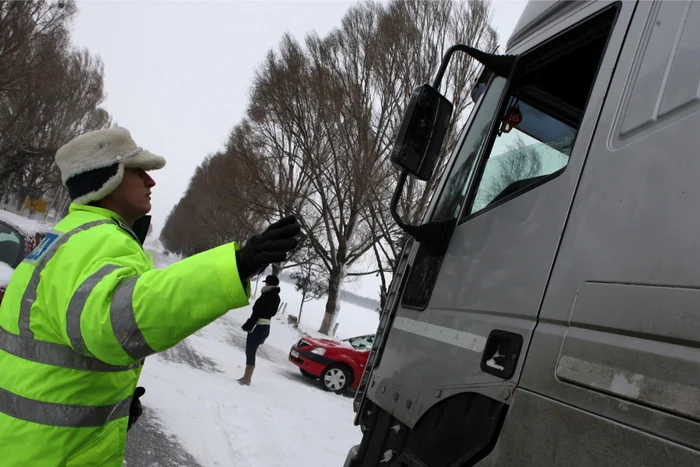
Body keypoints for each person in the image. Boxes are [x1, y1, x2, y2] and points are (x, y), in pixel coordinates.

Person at [0, 127, 301, 466]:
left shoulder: (65, 238)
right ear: (107, 179)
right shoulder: (100, 241)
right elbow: (119, 323)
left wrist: (110, 406)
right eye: (138, 172)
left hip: (29, 445)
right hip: (54, 455)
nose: (150, 182)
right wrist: (236, 265)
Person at [238, 274, 281, 385]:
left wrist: (249, 324)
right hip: (265, 327)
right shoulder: (276, 297)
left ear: (268, 284)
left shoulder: (267, 296)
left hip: (258, 326)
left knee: (250, 351)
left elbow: (257, 312)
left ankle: (247, 379)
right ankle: (246, 377)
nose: (265, 283)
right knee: (252, 351)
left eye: (266, 282)